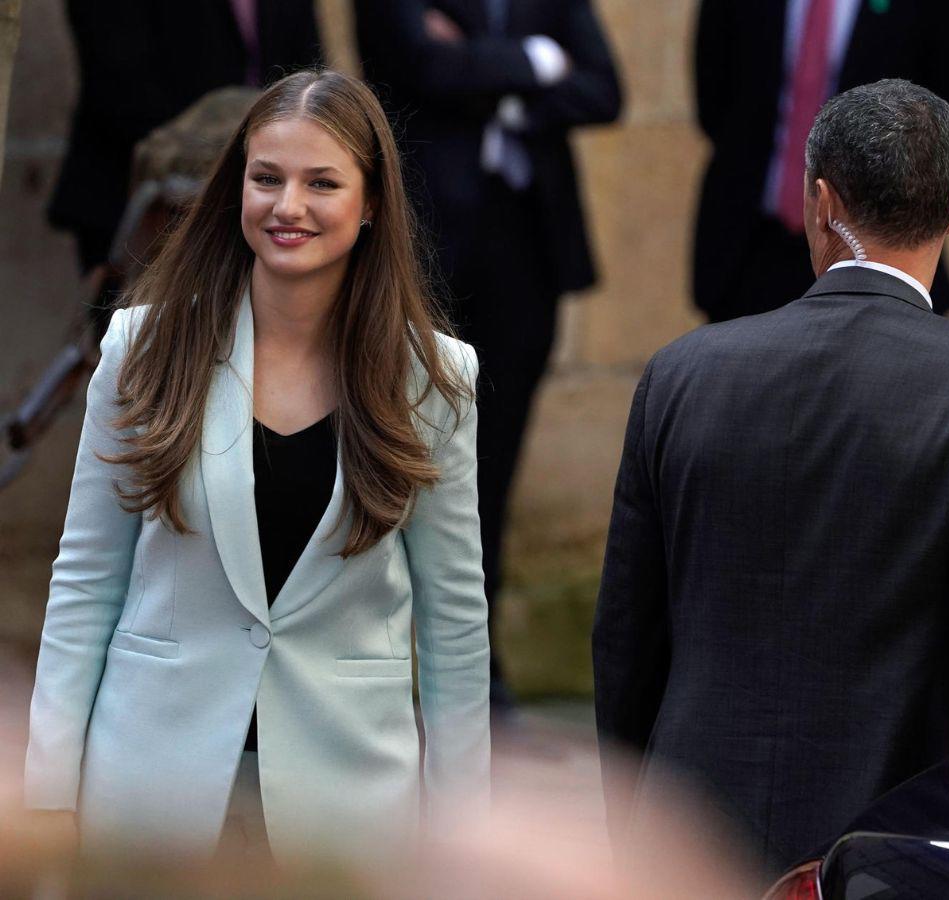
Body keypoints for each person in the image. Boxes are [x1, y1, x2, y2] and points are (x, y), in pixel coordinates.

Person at [593, 79, 949, 881]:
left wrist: (632, 830)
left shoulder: (683, 373)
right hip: (886, 854)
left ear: (820, 201)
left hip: (688, 844)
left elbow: (626, 641)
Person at [24, 70, 490, 860]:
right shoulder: (142, 347)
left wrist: (464, 832)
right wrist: (45, 795)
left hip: (349, 810)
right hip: (148, 794)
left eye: (322, 183)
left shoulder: (434, 378)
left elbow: (455, 621)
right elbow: (86, 579)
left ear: (371, 202)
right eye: (266, 178)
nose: (288, 207)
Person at [354, 0, 622, 712]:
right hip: (428, 251)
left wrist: (494, 89)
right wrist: (534, 63)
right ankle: (379, 658)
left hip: (526, 249)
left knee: (492, 466)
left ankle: (477, 663)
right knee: (399, 453)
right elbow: (416, 66)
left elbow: (604, 88)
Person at [692, 0, 949, 321]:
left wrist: (893, 210)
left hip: (880, 259)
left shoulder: (942, 10)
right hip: (749, 251)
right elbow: (714, 101)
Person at [49, 1, 322, 336]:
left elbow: (308, 73)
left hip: (255, 191)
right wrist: (225, 157)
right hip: (142, 196)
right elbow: (116, 81)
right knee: (151, 348)